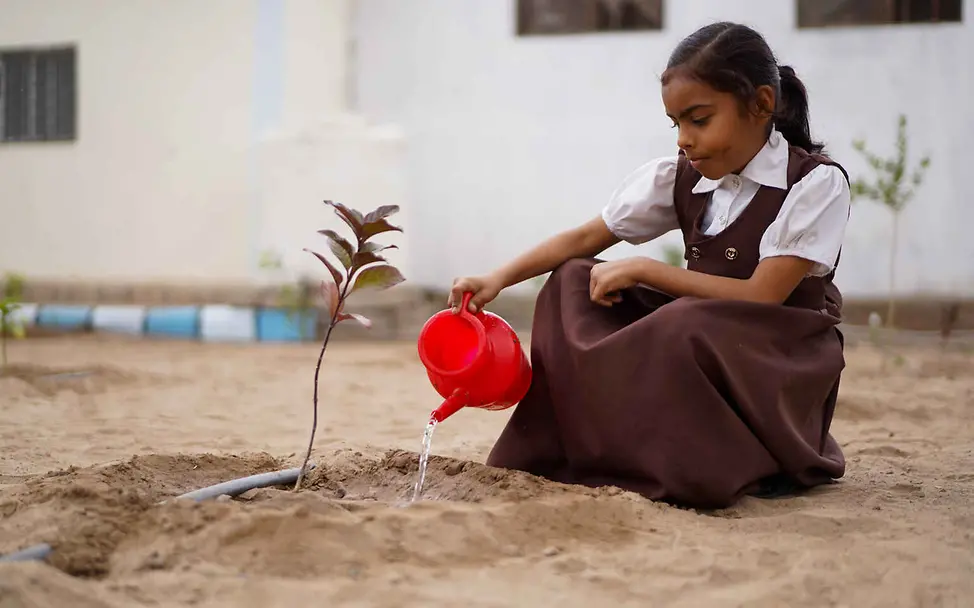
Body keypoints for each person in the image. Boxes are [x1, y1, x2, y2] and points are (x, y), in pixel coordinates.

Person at [448, 21, 851, 509]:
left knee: (682, 321)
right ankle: (572, 447)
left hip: (775, 355)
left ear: (761, 104)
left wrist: (645, 269)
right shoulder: (682, 178)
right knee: (571, 280)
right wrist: (496, 278)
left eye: (699, 120)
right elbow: (584, 238)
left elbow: (761, 296)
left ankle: (700, 463)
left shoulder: (814, 185)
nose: (684, 139)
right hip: (700, 334)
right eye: (675, 123)